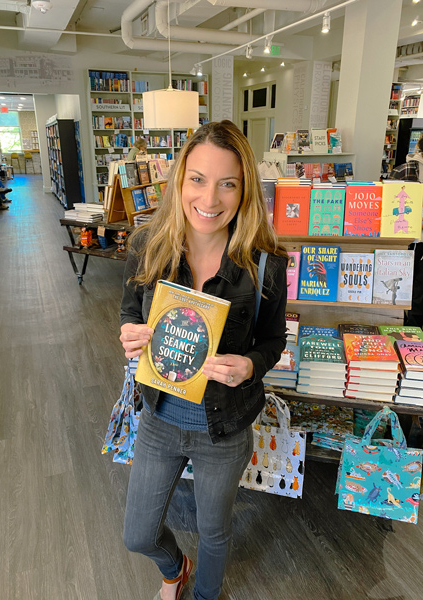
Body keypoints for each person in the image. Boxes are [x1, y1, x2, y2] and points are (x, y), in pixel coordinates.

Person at [119, 120, 288, 600]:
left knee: (215, 532)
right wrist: (130, 335)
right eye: (198, 179)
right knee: (138, 533)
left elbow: (273, 341)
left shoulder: (264, 264)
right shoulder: (146, 245)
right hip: (158, 418)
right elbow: (130, 311)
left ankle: (204, 594)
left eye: (227, 183)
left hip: (224, 427)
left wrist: (250, 366)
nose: (210, 199)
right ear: (179, 180)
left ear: (244, 189)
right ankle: (175, 568)